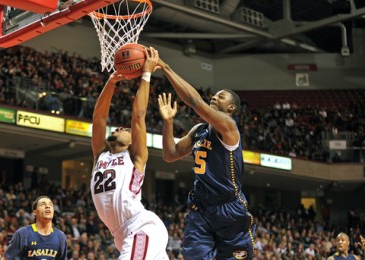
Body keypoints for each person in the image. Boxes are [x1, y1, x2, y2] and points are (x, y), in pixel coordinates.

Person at [157, 57, 256, 259]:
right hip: (201, 206)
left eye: (221, 97)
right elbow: (170, 155)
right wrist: (168, 122)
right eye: (215, 95)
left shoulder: (229, 128)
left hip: (229, 208)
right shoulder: (199, 130)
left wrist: (165, 67)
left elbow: (194, 101)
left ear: (231, 108)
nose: (215, 97)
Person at [90, 46, 168, 259]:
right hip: (122, 235)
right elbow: (99, 118)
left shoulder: (135, 157)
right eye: (118, 128)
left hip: (140, 227)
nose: (121, 128)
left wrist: (146, 74)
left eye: (125, 129)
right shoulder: (100, 155)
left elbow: (138, 116)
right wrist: (111, 82)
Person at [3, 195, 68, 259]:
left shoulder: (60, 236)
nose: (48, 206)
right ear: (35, 212)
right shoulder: (23, 233)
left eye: (50, 205)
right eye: (42, 204)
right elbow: (6, 258)